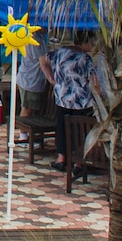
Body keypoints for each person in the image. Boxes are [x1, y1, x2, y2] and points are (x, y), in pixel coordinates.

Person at [45, 32, 98, 169]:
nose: (92, 46)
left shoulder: (60, 52)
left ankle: (61, 158)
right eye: (91, 43)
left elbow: (43, 60)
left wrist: (51, 78)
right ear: (84, 42)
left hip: (62, 96)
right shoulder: (85, 58)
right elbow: (94, 81)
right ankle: (78, 162)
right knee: (80, 131)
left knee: (62, 127)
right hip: (81, 100)